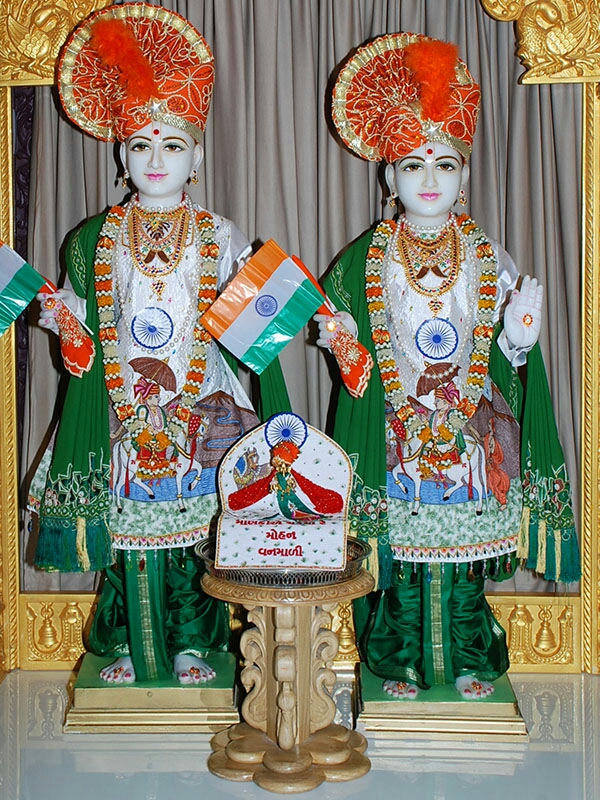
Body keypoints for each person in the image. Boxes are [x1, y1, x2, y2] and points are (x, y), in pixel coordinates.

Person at [316, 33, 580, 699]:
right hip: (395, 431)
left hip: (468, 432)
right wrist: (343, 340)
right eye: (412, 165)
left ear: (465, 173)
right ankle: (397, 658)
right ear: (388, 177)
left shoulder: (488, 254)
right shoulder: (362, 260)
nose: (428, 181)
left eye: (444, 164)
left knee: (461, 566)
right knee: (402, 563)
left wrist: (520, 340)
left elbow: (510, 356)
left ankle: (471, 654)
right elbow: (348, 349)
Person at [32, 3, 287, 686]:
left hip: (203, 407)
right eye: (141, 144)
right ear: (121, 153)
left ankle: (193, 644)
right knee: (124, 538)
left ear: (196, 156)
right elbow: (79, 337)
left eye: (172, 145)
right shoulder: (90, 239)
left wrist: (269, 297)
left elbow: (247, 332)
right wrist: (65, 325)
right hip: (119, 406)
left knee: (190, 538)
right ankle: (118, 641)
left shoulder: (221, 234)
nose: (155, 159)